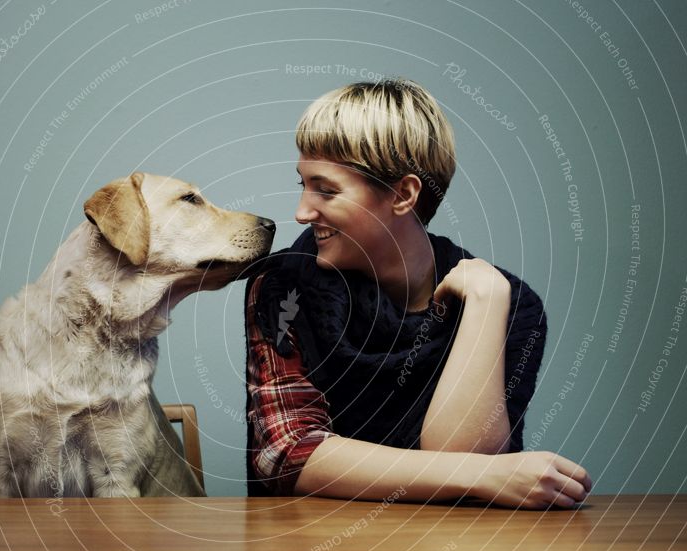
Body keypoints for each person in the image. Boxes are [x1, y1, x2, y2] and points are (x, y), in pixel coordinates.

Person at [244, 79, 592, 509]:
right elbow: (287, 454)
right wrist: (484, 473)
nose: (301, 212)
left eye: (326, 190)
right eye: (303, 183)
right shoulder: (282, 287)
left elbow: (465, 465)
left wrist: (484, 308)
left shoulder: (512, 305)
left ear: (404, 195)